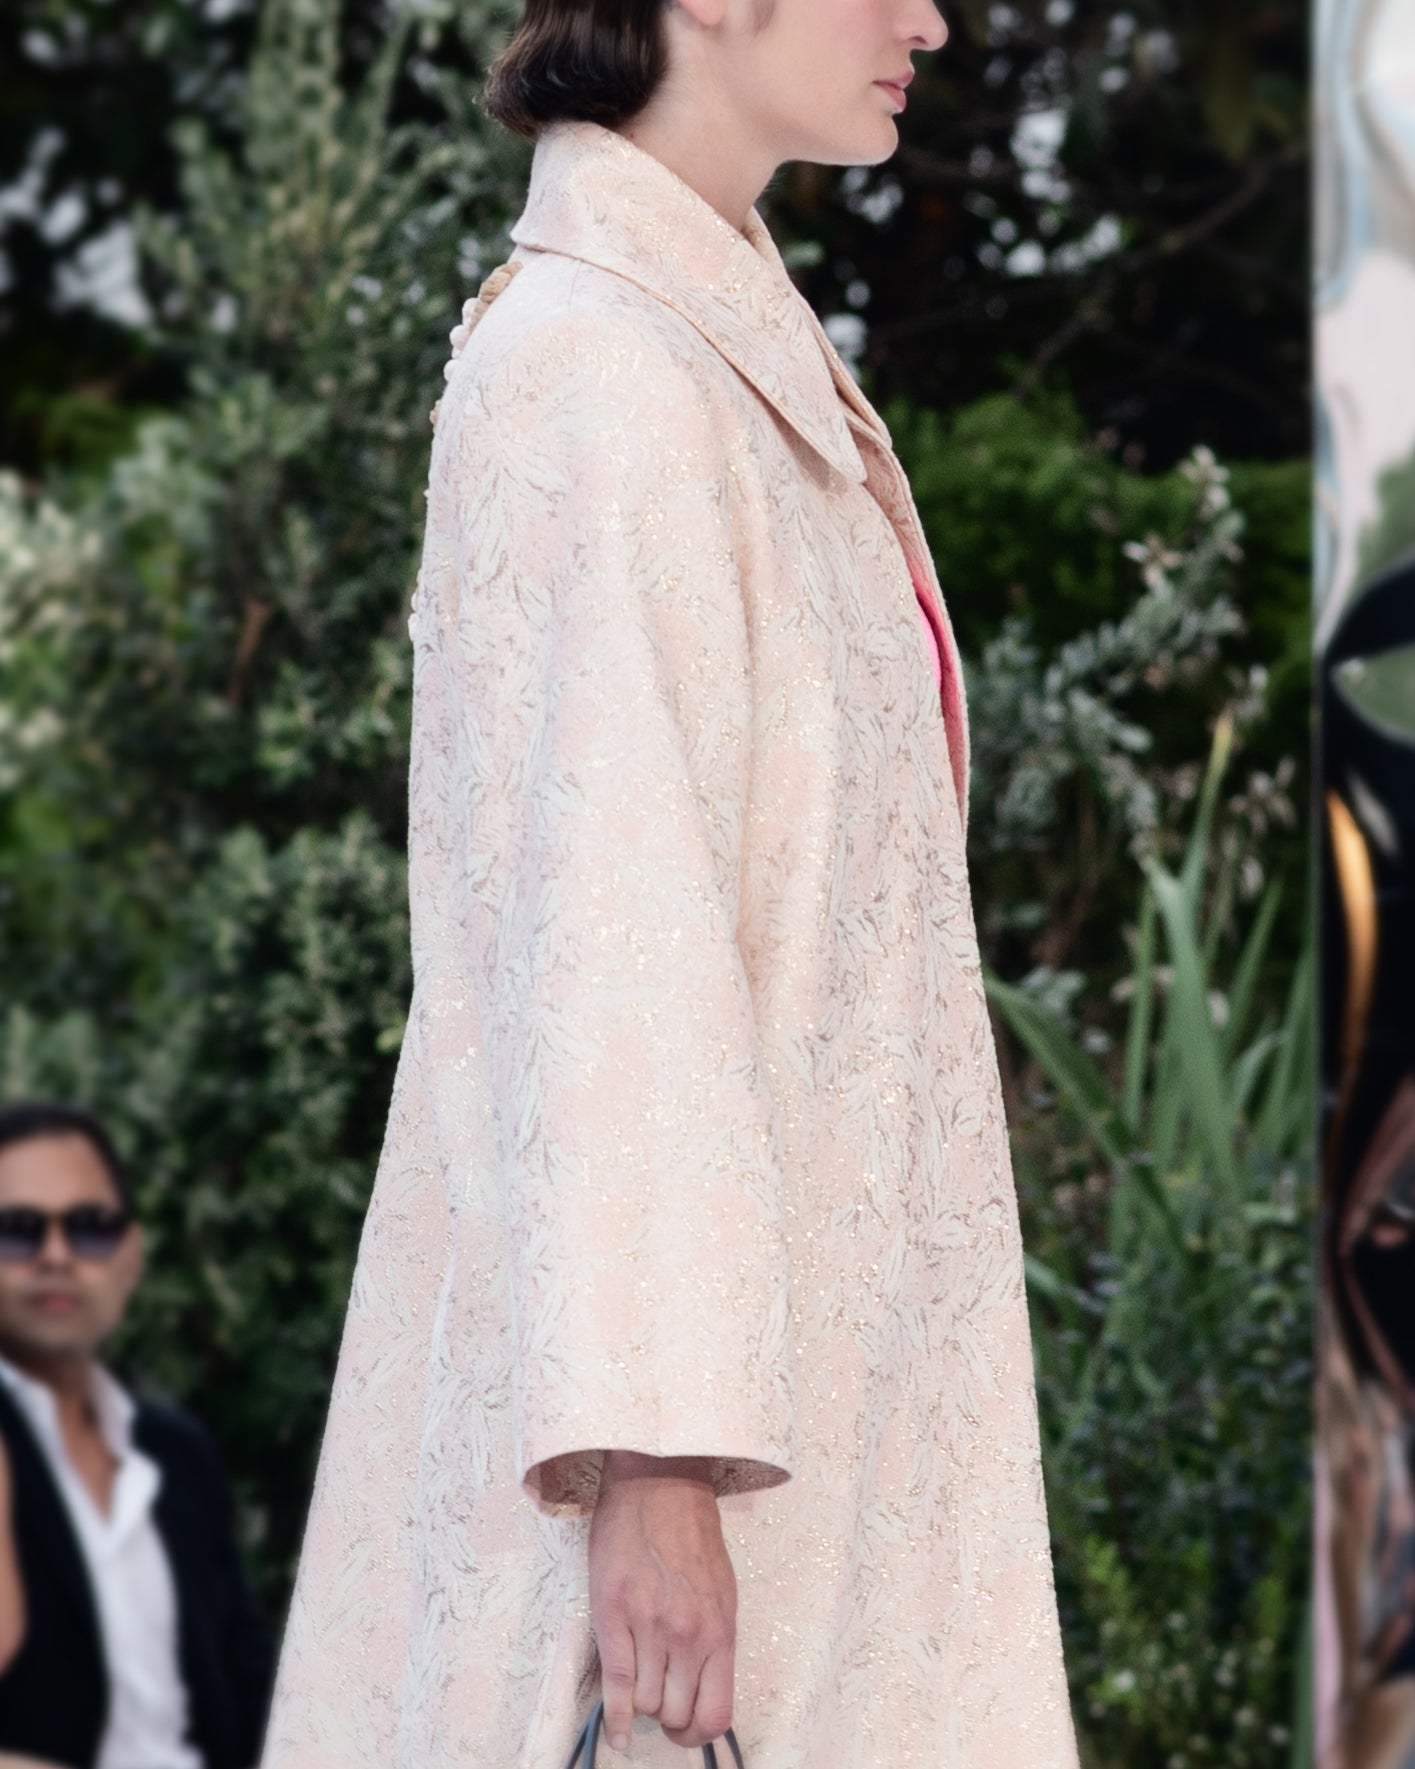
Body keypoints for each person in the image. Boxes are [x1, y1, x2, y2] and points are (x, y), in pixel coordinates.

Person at [261, 0, 1081, 1763]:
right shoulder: (598, 368)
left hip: (812, 1412)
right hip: (682, 1462)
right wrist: (647, 1458)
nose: (930, 19)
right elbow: (605, 931)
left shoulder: (710, 353)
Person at [0, 1101, 276, 1769]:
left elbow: (253, 1690)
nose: (56, 1255)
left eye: (90, 1228)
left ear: (131, 1254)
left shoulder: (178, 1453)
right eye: (18, 1231)